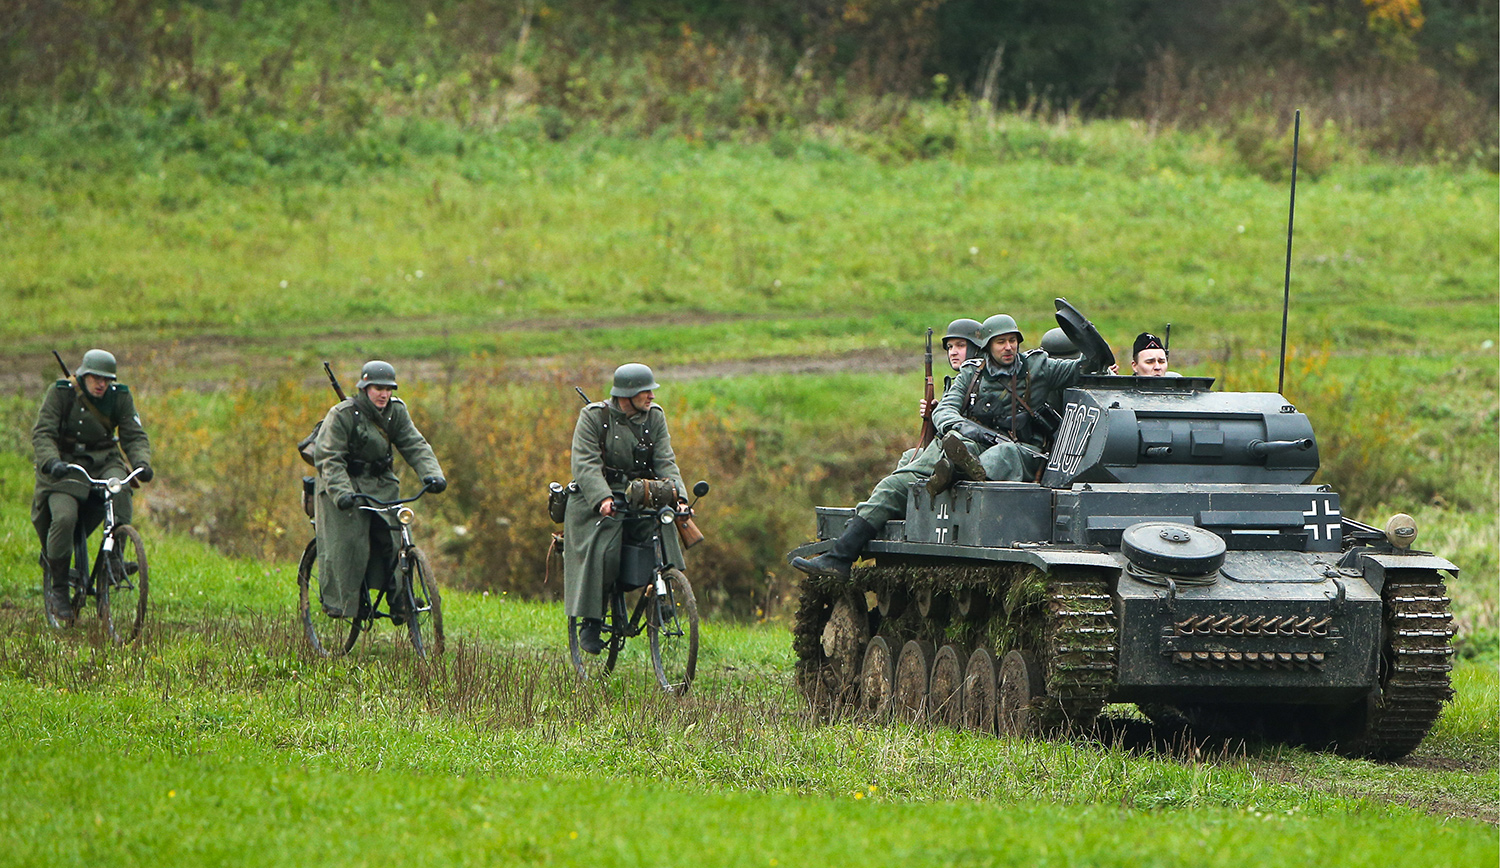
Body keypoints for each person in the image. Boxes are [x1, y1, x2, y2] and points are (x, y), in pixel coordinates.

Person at [792, 312, 1104, 579]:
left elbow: (1084, 368)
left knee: (1003, 455)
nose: (1008, 347)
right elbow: (944, 410)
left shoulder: (1038, 368)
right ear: (987, 346)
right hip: (970, 441)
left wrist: (1089, 340)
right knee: (895, 485)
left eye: (1013, 340)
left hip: (1020, 451)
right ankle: (839, 557)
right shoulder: (972, 373)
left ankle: (955, 470)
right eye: (1001, 342)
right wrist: (961, 428)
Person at [565, 363, 689, 653]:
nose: (651, 397)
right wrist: (602, 499)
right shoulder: (594, 417)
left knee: (664, 525)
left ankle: (665, 593)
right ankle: (591, 620)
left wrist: (678, 496)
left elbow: (666, 461)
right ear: (627, 394)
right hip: (594, 498)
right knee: (603, 546)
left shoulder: (654, 419)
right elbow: (585, 464)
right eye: (645, 391)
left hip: (639, 493)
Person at [312, 361, 445, 621]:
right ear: (364, 388)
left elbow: (414, 443)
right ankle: (344, 601)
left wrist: (433, 475)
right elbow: (329, 458)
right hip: (343, 485)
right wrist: (341, 493)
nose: (384, 394)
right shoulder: (342, 415)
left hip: (382, 484)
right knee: (349, 542)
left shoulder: (396, 412)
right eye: (377, 388)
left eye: (388, 389)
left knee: (396, 538)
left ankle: (401, 601)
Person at [31, 349, 152, 623]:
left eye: (106, 380)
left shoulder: (119, 396)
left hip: (104, 460)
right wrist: (51, 461)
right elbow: (43, 432)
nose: (101, 385)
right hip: (66, 465)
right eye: (96, 378)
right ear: (84, 375)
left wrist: (142, 464)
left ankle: (115, 560)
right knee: (65, 517)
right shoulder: (61, 393)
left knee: (121, 496)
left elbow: (134, 435)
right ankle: (59, 588)